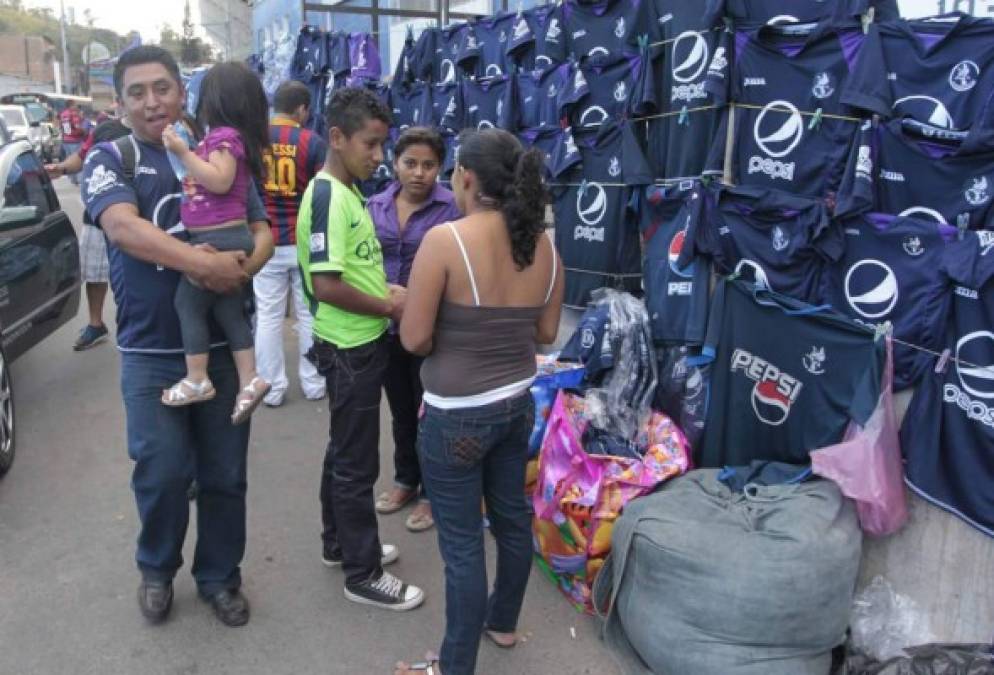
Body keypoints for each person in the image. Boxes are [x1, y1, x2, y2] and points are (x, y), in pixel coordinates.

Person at [82, 45, 274, 627]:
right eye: (136, 92)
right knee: (161, 471)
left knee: (224, 476)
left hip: (222, 352)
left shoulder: (217, 151)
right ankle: (157, 569)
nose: (151, 102)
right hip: (149, 354)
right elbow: (123, 228)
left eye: (161, 88)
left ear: (181, 93)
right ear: (120, 102)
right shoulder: (109, 156)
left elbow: (262, 227)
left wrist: (241, 267)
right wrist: (201, 266)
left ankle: (219, 577)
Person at [396, 128, 564, 675]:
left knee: (463, 545)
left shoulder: (446, 242)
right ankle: (504, 623)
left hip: (455, 415)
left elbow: (415, 340)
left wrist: (417, 309)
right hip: (516, 405)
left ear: (465, 177)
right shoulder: (544, 247)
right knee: (513, 520)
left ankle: (454, 665)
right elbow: (545, 331)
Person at [296, 87, 425, 611]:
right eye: (371, 145)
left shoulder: (347, 192)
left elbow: (351, 268)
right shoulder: (328, 194)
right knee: (356, 464)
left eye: (381, 145)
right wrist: (389, 307)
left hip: (358, 342)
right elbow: (326, 284)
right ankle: (363, 573)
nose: (379, 157)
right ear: (337, 137)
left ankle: (340, 544)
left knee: (342, 452)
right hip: (349, 348)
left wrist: (382, 293)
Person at [160, 61, 272, 424]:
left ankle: (196, 378)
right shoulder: (229, 139)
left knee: (187, 304)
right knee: (228, 312)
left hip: (217, 237)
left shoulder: (223, 137)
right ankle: (250, 379)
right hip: (226, 234)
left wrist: (182, 151)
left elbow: (220, 181)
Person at [368, 126, 460, 533]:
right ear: (395, 163)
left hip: (432, 329)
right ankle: (406, 479)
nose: (419, 173)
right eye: (410, 163)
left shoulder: (454, 208)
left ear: (441, 168)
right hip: (384, 326)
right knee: (402, 410)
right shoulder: (376, 204)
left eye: (429, 165)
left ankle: (433, 495)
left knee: (431, 412)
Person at [254, 80, 328, 407]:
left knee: (268, 315)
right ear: (302, 109)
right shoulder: (312, 141)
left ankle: (271, 388)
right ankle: (313, 384)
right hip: (302, 240)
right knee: (309, 313)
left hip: (264, 240)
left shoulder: (254, 140)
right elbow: (323, 193)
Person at [46, 112, 131, 351]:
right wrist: (60, 168)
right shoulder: (104, 130)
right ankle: (96, 324)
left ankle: (138, 331)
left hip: (137, 221)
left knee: (130, 278)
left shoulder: (155, 133)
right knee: (94, 273)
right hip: (96, 218)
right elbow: (81, 157)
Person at [59, 99, 87, 185]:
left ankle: (72, 179)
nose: (76, 107)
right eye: (75, 105)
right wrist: (83, 131)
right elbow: (77, 126)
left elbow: (64, 128)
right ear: (71, 105)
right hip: (75, 140)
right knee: (78, 159)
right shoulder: (73, 114)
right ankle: (80, 179)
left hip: (66, 140)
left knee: (69, 159)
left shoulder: (63, 114)